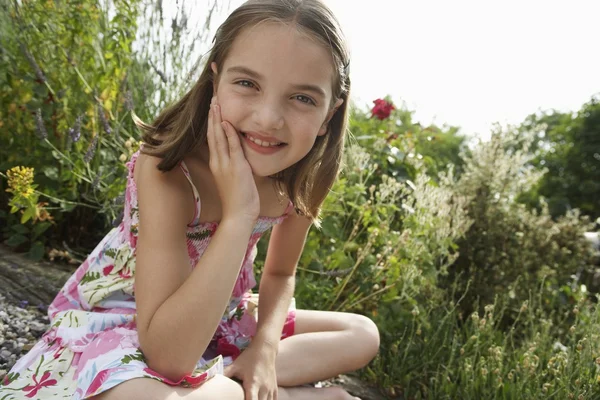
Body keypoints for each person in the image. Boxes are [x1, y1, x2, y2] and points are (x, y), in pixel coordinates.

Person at [0, 0, 380, 399]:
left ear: (329, 115)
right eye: (248, 83)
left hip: (220, 315)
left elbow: (281, 275)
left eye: (302, 98)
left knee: (361, 334)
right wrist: (240, 214)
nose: (268, 118)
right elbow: (168, 357)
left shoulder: (297, 180)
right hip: (133, 322)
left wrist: (265, 349)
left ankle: (242, 376)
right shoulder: (168, 170)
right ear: (215, 78)